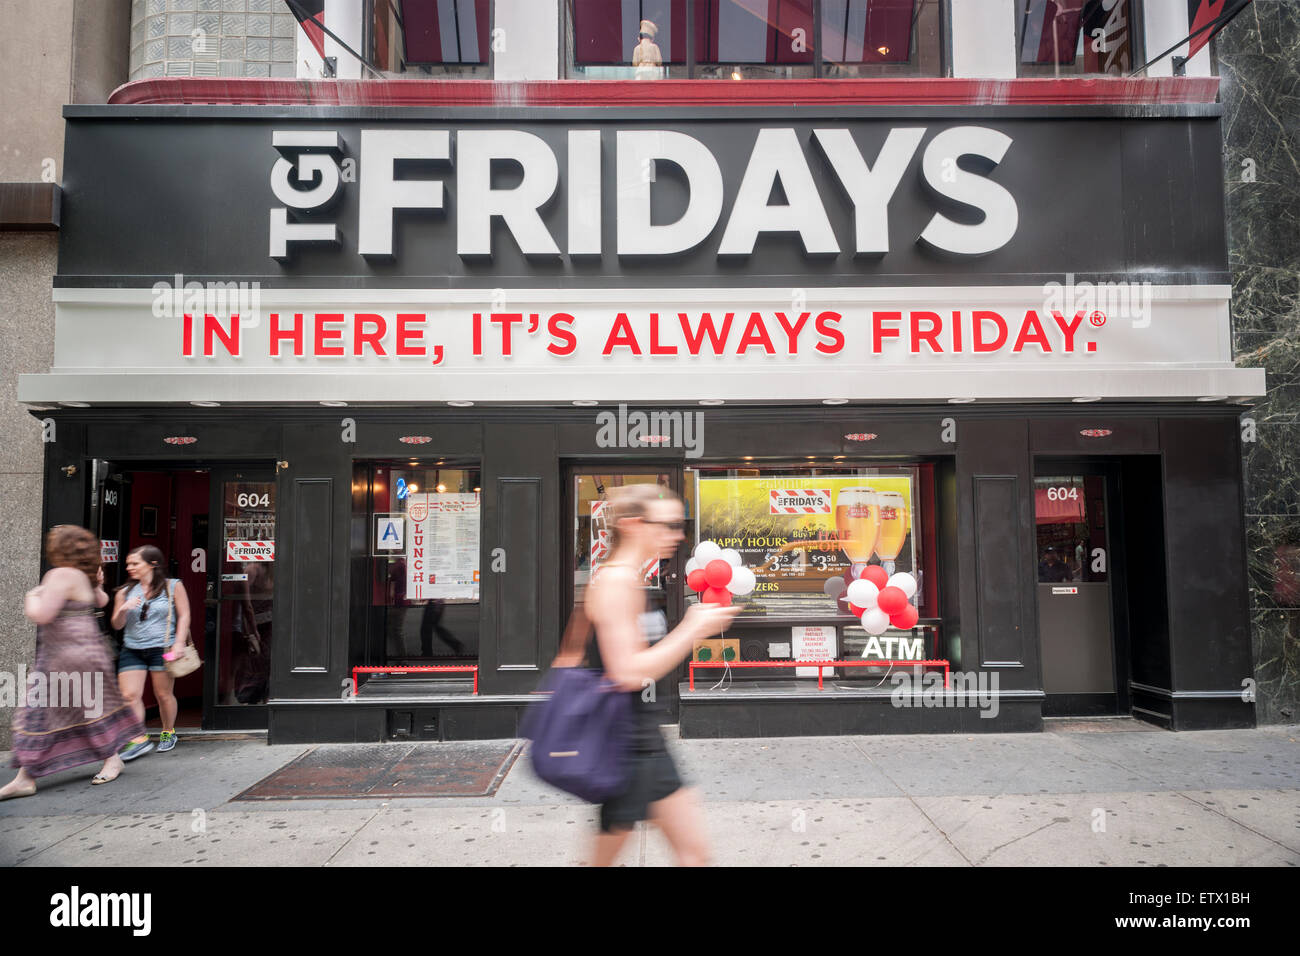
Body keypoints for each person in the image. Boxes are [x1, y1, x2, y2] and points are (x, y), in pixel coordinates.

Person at [584, 484, 739, 866]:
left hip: (643, 739)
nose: (679, 534)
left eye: (680, 524)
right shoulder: (616, 582)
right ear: (635, 524)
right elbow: (627, 673)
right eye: (669, 525)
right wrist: (689, 630)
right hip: (627, 747)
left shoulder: (627, 578)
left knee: (694, 856)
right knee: (689, 856)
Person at [1, 526, 145, 798]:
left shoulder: (59, 574)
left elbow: (42, 615)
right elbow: (101, 601)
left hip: (62, 654)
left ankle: (26, 777)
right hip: (89, 651)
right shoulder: (82, 575)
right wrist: (98, 582)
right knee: (91, 709)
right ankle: (111, 759)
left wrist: (30, 597)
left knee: (39, 712)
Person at [111, 545, 191, 759]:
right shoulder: (124, 592)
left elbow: (184, 615)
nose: (130, 567)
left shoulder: (172, 586)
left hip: (162, 648)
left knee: (163, 694)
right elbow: (117, 625)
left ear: (153, 564)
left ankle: (168, 731)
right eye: (128, 563)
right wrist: (122, 609)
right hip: (132, 648)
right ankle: (138, 738)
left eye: (135, 563)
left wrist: (179, 642)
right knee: (129, 695)